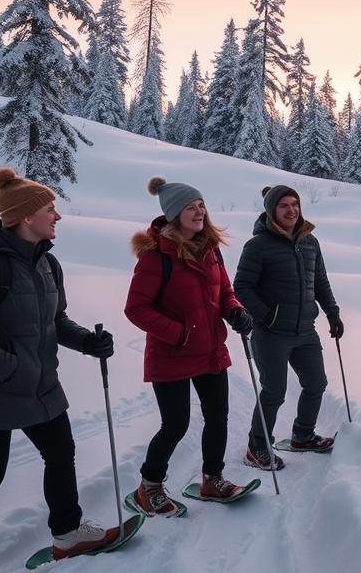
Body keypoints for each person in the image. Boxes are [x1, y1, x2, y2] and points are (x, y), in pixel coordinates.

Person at [0, 168, 117, 573]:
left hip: (40, 387)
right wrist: (10, 368)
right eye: (49, 209)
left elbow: (55, 321)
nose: (56, 216)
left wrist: (86, 342)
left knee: (61, 453)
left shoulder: (47, 264)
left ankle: (67, 534)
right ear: (26, 217)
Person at [124, 177, 253, 516]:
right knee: (175, 424)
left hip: (210, 351)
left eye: (201, 205)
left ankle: (213, 479)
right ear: (173, 214)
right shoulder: (156, 256)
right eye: (190, 207)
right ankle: (148, 487)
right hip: (171, 354)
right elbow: (136, 308)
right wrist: (179, 333)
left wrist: (235, 311)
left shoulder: (211, 249)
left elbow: (225, 292)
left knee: (217, 417)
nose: (199, 212)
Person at [234, 184, 343, 471]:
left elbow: (320, 282)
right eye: (284, 205)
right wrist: (265, 316)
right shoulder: (257, 246)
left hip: (305, 330)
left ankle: (302, 435)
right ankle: (257, 448)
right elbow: (242, 287)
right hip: (271, 333)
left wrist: (333, 312)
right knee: (273, 391)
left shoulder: (310, 242)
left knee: (316, 384)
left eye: (294, 204)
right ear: (272, 211)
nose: (291, 210)